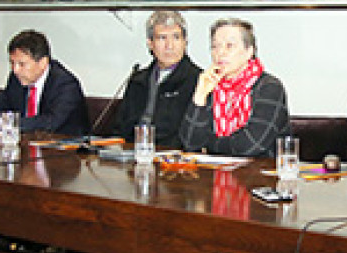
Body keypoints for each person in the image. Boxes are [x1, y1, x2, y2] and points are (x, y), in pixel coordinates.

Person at [180, 18, 290, 157]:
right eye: (215, 46)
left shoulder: (270, 88)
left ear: (249, 51)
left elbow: (249, 146)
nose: (220, 52)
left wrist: (209, 145)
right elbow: (189, 143)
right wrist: (200, 96)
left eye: (229, 46)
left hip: (260, 169)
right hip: (213, 169)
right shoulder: (211, 85)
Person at [0, 30, 89, 135]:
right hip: (27, 147)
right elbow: (1, 107)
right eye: (12, 63)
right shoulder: (16, 79)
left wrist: (1, 123)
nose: (15, 70)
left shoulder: (66, 84)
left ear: (43, 63)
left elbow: (50, 122)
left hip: (65, 150)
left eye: (22, 64)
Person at [112, 10, 200, 148]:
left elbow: (191, 136)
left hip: (171, 155)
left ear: (185, 42)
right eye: (162, 38)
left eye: (176, 37)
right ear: (150, 43)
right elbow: (120, 129)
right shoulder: (138, 80)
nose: (169, 46)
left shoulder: (198, 81)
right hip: (131, 152)